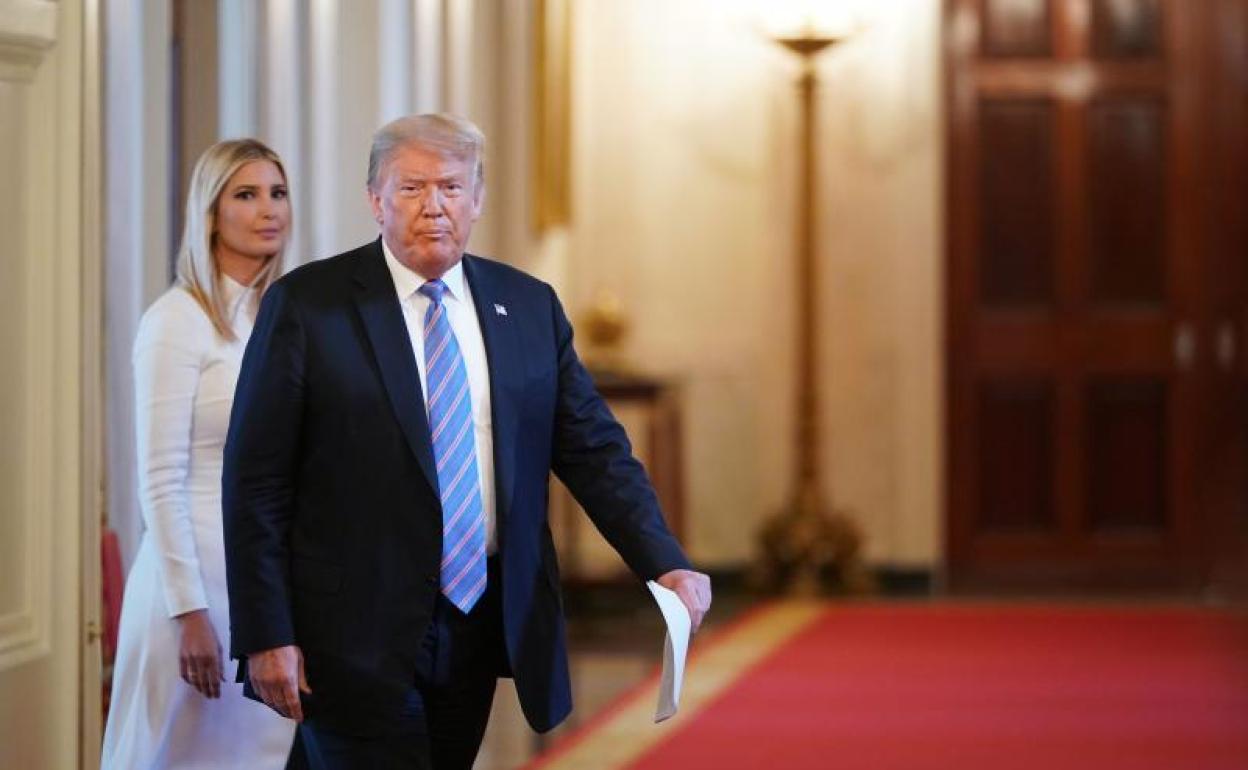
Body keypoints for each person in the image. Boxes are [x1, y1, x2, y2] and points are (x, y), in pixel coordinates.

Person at [223, 113, 712, 770]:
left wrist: (664, 562)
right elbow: (256, 482)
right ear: (375, 200)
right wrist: (266, 631)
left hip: (475, 622)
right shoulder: (309, 306)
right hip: (349, 630)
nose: (434, 207)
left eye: (451, 187)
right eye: (411, 188)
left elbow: (595, 453)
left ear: (477, 199)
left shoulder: (528, 306)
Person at [102, 139, 298, 769]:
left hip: (261, 589)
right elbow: (159, 479)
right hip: (188, 590)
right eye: (246, 194)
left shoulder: (281, 319)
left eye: (277, 193)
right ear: (211, 214)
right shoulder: (176, 320)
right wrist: (188, 611)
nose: (269, 209)